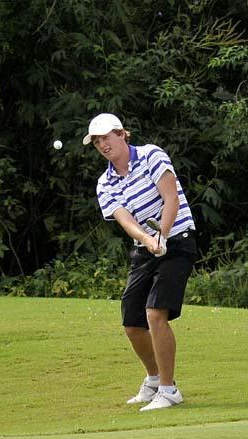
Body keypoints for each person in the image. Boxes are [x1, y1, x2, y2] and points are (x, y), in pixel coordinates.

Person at [82, 113, 197, 411]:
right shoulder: (105, 183)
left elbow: (170, 197)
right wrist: (148, 241)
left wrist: (163, 235)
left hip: (178, 239)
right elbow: (125, 219)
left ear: (122, 135)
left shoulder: (151, 156)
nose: (102, 145)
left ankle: (170, 391)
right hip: (146, 249)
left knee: (155, 313)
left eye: (106, 137)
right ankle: (155, 380)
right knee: (132, 323)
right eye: (96, 142)